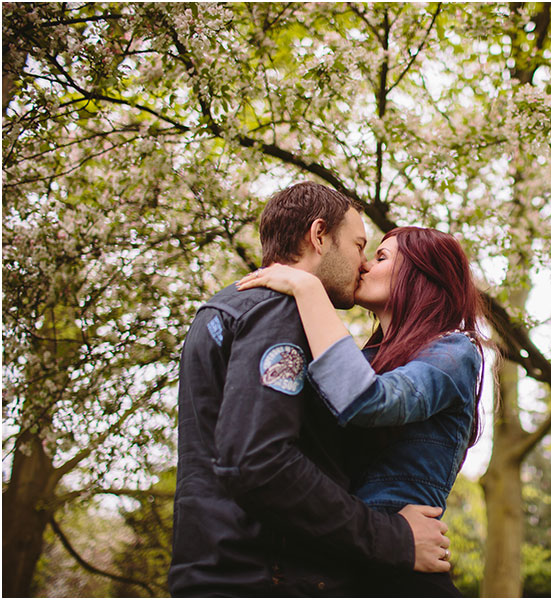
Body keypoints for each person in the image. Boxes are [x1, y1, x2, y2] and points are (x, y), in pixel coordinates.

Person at [169, 183, 451, 597]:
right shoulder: (279, 309)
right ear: (319, 236)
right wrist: (394, 537)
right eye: (359, 245)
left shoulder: (225, 309)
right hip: (265, 576)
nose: (362, 264)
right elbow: (260, 461)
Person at [237, 225, 486, 596]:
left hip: (401, 575)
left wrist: (308, 289)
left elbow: (370, 402)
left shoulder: (453, 351)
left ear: (423, 275)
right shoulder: (365, 359)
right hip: (343, 562)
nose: (365, 265)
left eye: (381, 257)